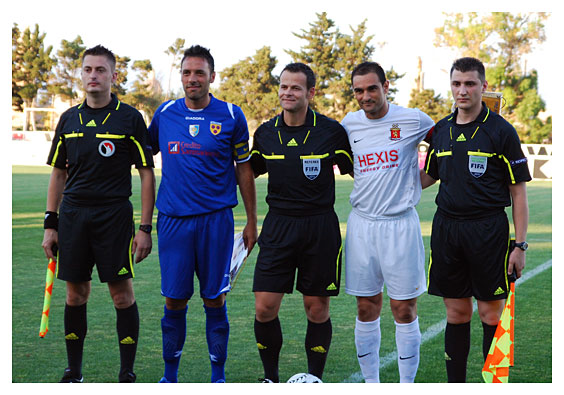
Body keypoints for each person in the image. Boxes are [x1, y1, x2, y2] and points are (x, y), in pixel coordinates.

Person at [42, 45, 156, 383]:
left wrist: (145, 227)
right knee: (75, 294)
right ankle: (74, 370)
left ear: (113, 76)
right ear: (82, 74)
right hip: (74, 217)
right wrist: (51, 223)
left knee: (122, 295)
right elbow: (58, 173)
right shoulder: (68, 118)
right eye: (88, 69)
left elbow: (146, 173)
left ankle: (126, 372)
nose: (94, 75)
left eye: (101, 70)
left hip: (114, 218)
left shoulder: (130, 118)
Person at [148, 45, 257, 383]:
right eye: (186, 72)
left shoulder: (232, 115)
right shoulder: (164, 114)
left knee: (215, 299)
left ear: (212, 76)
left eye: (199, 73)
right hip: (173, 221)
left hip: (217, 221)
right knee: (174, 300)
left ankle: (217, 378)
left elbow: (244, 170)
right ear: (180, 76)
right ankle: (170, 378)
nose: (192, 79)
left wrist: (252, 221)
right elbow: (141, 160)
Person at [421, 57, 530, 382]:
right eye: (457, 83)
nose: (462, 90)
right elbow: (426, 178)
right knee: (456, 313)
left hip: (488, 231)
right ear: (451, 86)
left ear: (483, 86)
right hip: (447, 230)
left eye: (470, 83)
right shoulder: (441, 130)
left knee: (489, 313)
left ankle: (494, 385)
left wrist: (520, 245)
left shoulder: (501, 131)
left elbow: (518, 193)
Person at [250, 62, 353, 383]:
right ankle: (270, 378)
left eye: (295, 87)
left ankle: (315, 379)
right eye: (283, 86)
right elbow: (247, 171)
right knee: (264, 307)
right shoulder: (265, 133)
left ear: (310, 92)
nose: (287, 92)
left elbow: (361, 171)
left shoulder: (331, 131)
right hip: (278, 226)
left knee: (316, 308)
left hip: (319, 227)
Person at [341, 61, 434, 383]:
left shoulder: (414, 119)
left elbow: (447, 144)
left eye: (371, 88)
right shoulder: (349, 124)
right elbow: (349, 164)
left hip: (400, 226)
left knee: (404, 309)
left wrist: (414, 183)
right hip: (363, 226)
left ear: (386, 86)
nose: (365, 96)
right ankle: (372, 384)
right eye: (359, 91)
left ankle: (406, 386)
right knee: (366, 308)